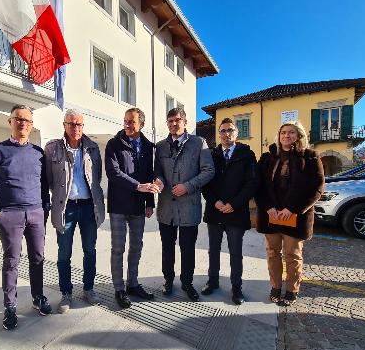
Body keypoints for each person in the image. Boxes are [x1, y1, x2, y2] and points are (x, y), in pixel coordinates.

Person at [0, 104, 52, 330]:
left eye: (27, 121)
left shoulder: (38, 153)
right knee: (12, 261)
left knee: (38, 258)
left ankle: (38, 297)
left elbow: (44, 186)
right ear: (10, 122)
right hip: (9, 215)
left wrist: (44, 210)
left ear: (31, 126)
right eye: (18, 119)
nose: (23, 124)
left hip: (36, 213)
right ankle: (10, 306)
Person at [255, 121, 324, 306]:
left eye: (291, 132)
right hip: (272, 216)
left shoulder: (310, 157)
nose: (287, 136)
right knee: (272, 253)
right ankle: (275, 287)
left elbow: (317, 187)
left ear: (299, 135)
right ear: (279, 136)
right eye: (283, 132)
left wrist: (292, 209)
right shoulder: (267, 158)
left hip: (295, 217)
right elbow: (258, 186)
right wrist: (268, 207)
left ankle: (292, 290)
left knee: (292, 255)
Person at [44, 109, 106, 314]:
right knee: (64, 254)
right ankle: (66, 293)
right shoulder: (52, 148)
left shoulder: (93, 148)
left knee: (90, 250)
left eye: (79, 124)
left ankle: (89, 288)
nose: (76, 128)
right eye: (71, 124)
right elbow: (48, 180)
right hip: (66, 208)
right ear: (64, 125)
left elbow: (96, 177)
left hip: (88, 206)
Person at [154, 107, 215, 301]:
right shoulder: (160, 146)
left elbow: (208, 171)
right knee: (167, 247)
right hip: (166, 207)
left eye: (177, 120)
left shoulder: (199, 143)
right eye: (170, 121)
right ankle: (168, 280)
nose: (173, 124)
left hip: (189, 206)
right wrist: (159, 180)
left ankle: (187, 283)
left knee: (188, 248)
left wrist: (187, 186)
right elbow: (156, 171)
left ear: (185, 122)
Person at [200, 118, 259, 305]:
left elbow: (252, 184)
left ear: (236, 133)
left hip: (236, 211)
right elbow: (205, 181)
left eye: (230, 130)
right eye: (223, 131)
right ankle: (213, 282)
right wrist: (215, 202)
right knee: (214, 251)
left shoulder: (247, 155)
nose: (226, 134)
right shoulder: (211, 154)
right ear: (219, 134)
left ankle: (236, 289)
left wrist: (233, 204)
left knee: (235, 252)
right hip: (215, 211)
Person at [105, 107, 158, 308]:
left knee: (136, 247)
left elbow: (149, 174)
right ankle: (119, 289)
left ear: (141, 124)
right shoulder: (114, 144)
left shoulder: (147, 146)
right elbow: (113, 173)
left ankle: (132, 284)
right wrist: (138, 186)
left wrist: (150, 202)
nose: (127, 124)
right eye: (126, 121)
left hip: (138, 205)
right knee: (118, 248)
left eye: (132, 121)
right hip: (118, 205)